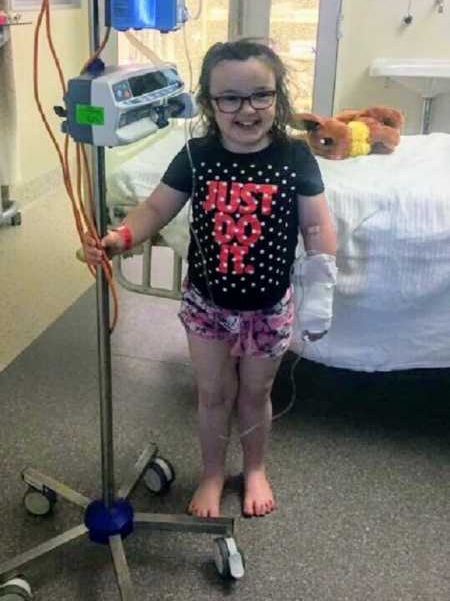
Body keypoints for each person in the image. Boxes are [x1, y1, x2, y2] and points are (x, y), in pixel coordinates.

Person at [83, 39, 337, 519]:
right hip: (207, 306)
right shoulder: (197, 155)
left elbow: (318, 225)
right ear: (209, 103)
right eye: (230, 99)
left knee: (255, 394)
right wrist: (120, 235)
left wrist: (322, 288)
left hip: (268, 309)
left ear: (278, 96)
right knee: (213, 394)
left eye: (260, 95)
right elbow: (157, 207)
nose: (247, 109)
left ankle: (255, 467)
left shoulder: (294, 157)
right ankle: (213, 473)